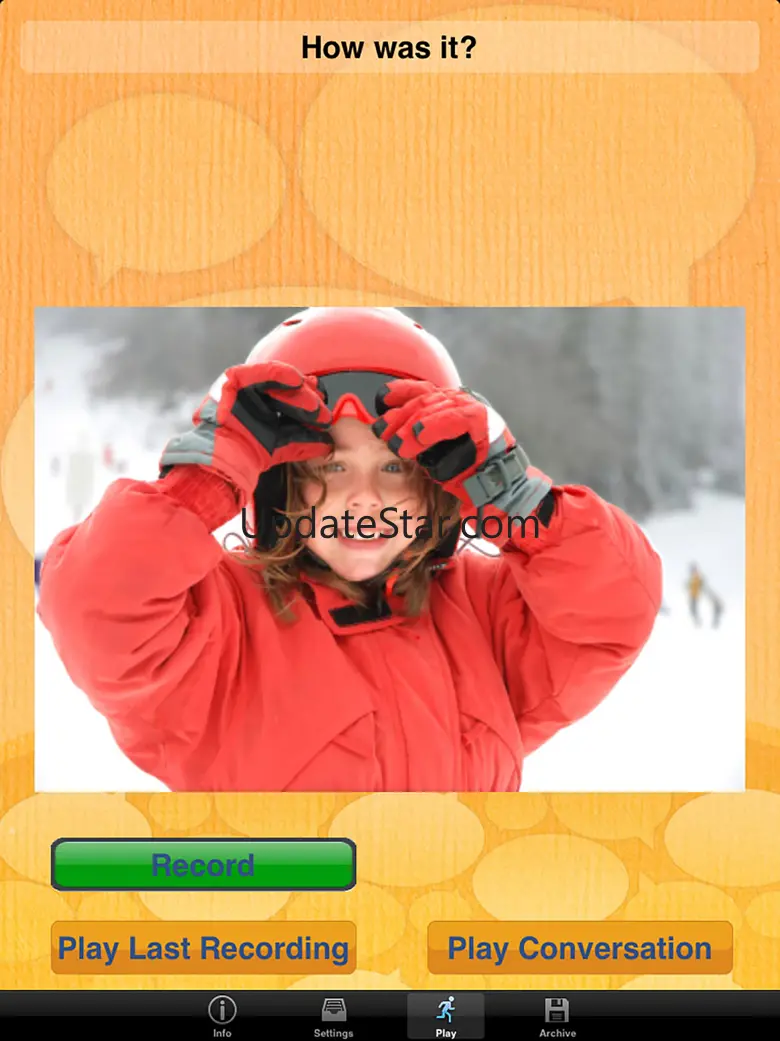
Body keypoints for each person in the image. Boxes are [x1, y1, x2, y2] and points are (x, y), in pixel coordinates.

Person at [37, 308, 663, 792]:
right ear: (279, 485)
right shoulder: (217, 624)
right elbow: (94, 609)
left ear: (439, 484)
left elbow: (615, 612)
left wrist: (523, 502)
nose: (363, 500)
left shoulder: (487, 612)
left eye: (394, 468)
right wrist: (199, 487)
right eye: (330, 468)